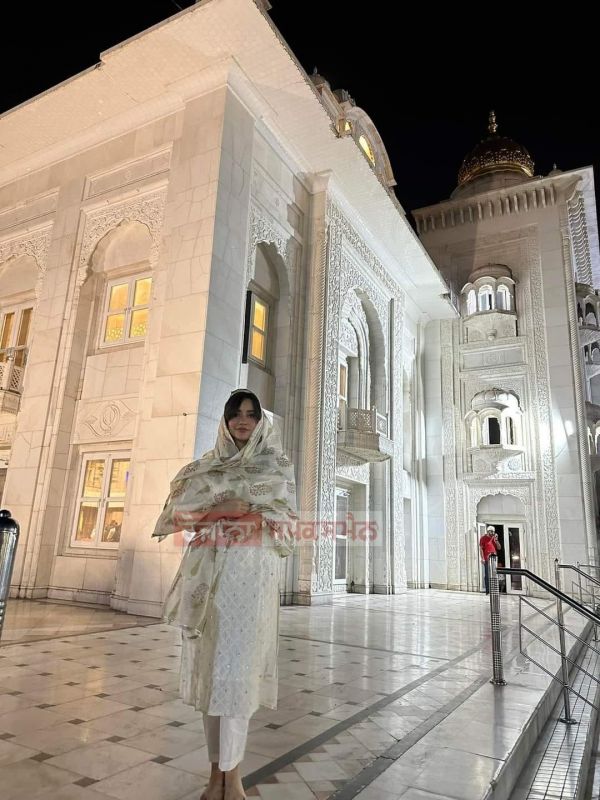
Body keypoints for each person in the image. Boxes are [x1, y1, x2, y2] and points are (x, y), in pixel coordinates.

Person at [152, 389, 296, 800]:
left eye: (251, 414)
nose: (243, 420)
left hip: (249, 581)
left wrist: (247, 516)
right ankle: (215, 775)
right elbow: (174, 515)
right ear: (226, 419)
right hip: (206, 585)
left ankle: (232, 779)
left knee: (236, 677)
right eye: (236, 413)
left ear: (260, 422)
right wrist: (222, 511)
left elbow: (286, 522)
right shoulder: (205, 467)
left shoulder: (276, 466)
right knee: (211, 676)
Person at [480, 525, 501, 594]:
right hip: (487, 559)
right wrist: (482, 558)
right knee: (487, 574)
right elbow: (481, 549)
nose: (492, 533)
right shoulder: (483, 538)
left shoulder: (494, 539)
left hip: (494, 559)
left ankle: (494, 590)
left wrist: (496, 540)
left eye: (493, 532)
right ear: (488, 531)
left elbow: (499, 548)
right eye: (491, 531)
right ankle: (487, 591)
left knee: (494, 574)